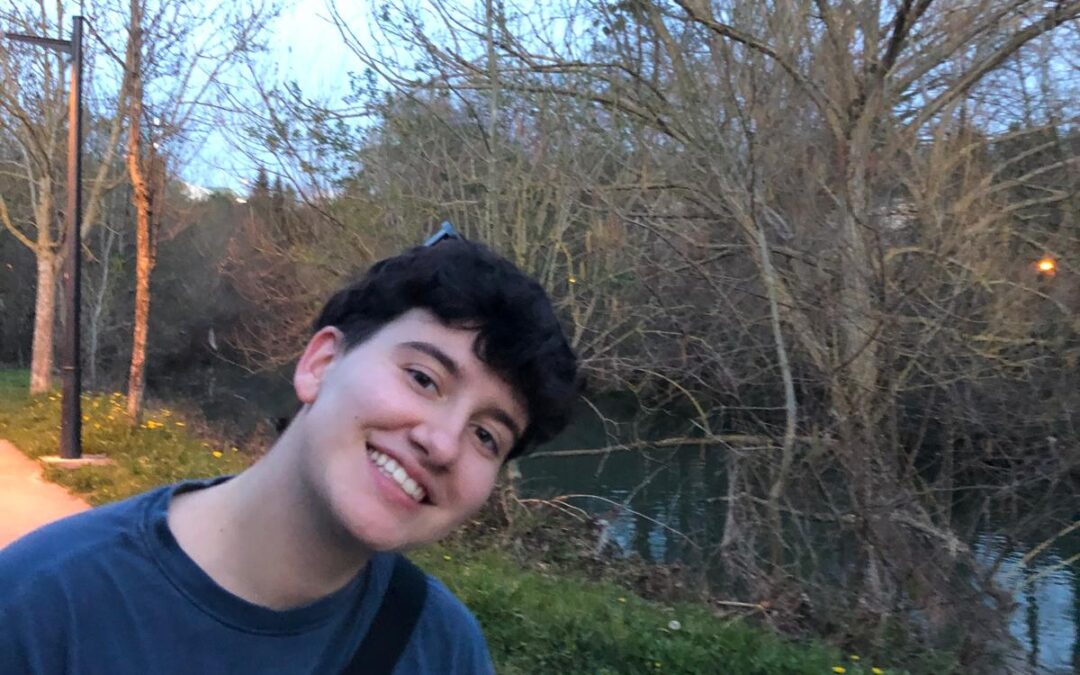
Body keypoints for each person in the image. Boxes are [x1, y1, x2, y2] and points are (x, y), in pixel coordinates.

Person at [0, 231, 580, 674]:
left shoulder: (443, 650)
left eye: (487, 436)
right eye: (423, 378)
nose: (443, 443)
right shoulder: (40, 604)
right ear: (320, 364)